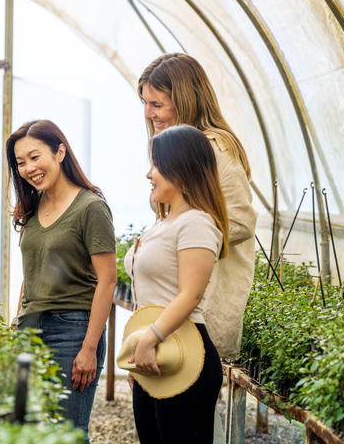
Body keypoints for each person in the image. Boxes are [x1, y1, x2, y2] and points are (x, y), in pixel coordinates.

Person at [139, 52, 258, 441]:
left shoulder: (213, 147)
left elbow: (239, 219)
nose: (149, 113)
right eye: (144, 103)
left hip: (195, 317)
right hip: (170, 324)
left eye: (157, 103)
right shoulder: (174, 150)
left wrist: (186, 239)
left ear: (186, 97)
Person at [6, 120, 116, 441]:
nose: (28, 168)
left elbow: (107, 281)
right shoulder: (32, 206)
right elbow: (31, 274)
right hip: (30, 330)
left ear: (60, 152)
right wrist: (17, 323)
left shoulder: (90, 208)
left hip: (72, 332)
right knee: (32, 432)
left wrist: (89, 349)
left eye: (35, 157)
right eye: (20, 163)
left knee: (68, 434)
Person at [124, 124, 228, 443]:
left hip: (185, 355)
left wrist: (147, 340)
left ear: (180, 169)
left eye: (156, 165)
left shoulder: (197, 222)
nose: (148, 174)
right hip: (157, 351)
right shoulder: (164, 222)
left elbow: (190, 294)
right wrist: (139, 351)